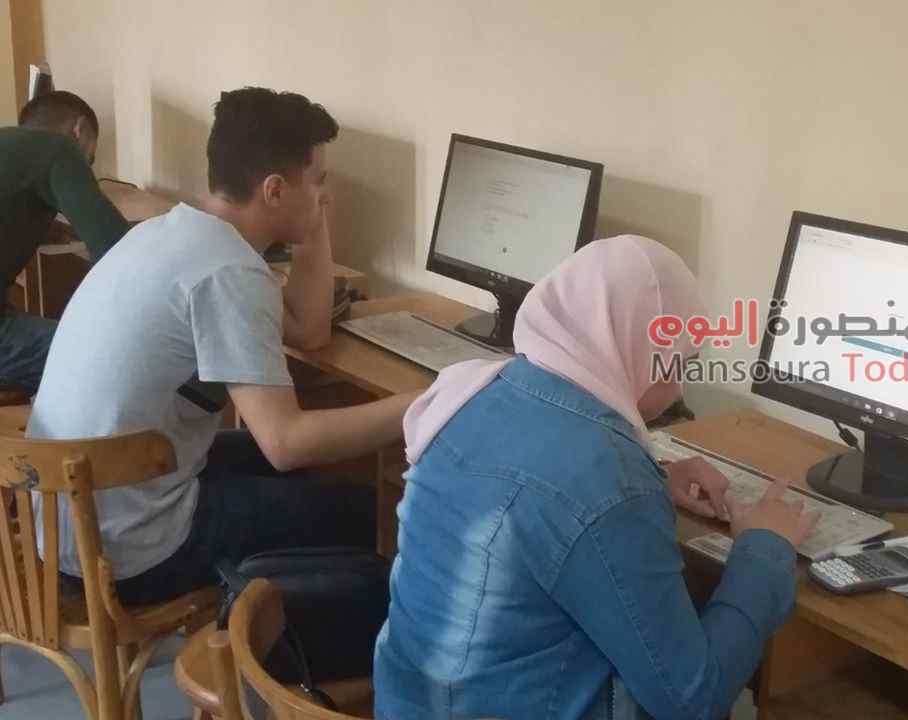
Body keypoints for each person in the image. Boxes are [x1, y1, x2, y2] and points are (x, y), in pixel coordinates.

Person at [374, 236, 821, 720]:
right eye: (681, 362)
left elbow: (544, 482)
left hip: (408, 701)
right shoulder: (611, 482)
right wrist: (764, 548)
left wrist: (654, 476)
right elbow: (693, 700)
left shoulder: (475, 388)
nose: (679, 388)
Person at [27, 87, 418, 605]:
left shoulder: (169, 233)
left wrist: (310, 219)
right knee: (370, 513)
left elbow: (308, 331)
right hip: (126, 553)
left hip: (66, 523)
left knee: (308, 470)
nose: (325, 197)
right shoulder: (228, 271)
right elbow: (286, 443)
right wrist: (423, 403)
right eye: (318, 181)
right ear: (274, 190)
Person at [0, 91, 129, 393]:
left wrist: (41, 230)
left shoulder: (9, 144)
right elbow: (118, 252)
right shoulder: (58, 149)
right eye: (90, 159)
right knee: (108, 356)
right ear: (79, 129)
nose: (87, 169)